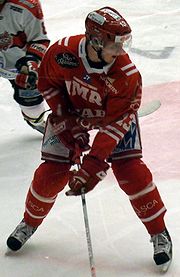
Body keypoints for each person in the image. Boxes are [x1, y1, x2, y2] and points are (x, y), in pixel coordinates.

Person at [6, 6, 172, 272]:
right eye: (114, 43)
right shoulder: (62, 53)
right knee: (50, 174)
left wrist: (93, 165)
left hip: (113, 117)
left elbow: (115, 127)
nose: (120, 50)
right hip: (72, 113)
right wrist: (63, 119)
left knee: (131, 172)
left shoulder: (126, 75)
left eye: (123, 43)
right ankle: (29, 222)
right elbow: (48, 84)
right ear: (95, 39)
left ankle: (159, 233)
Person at [0, 0, 50, 133]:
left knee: (33, 108)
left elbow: (39, 40)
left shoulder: (27, 5)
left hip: (18, 67)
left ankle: (35, 119)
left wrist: (31, 62)